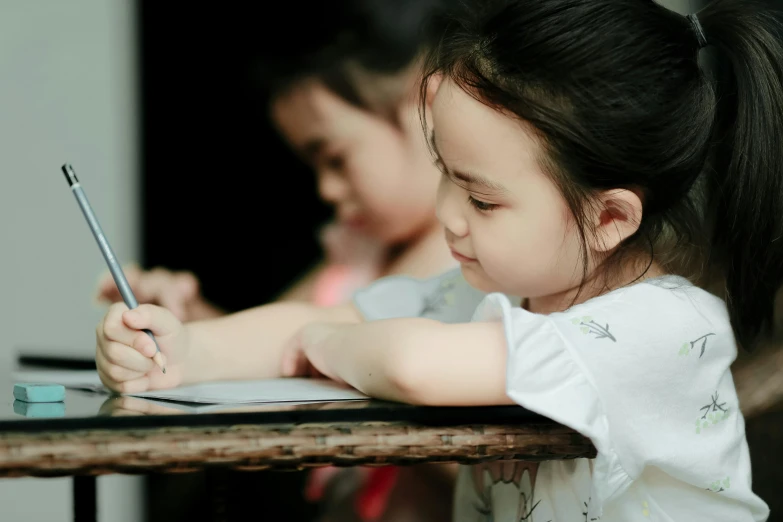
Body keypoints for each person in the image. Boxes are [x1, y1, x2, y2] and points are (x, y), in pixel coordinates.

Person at [95, 0, 783, 519]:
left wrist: (323, 340)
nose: (448, 214)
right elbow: (303, 321)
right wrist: (179, 349)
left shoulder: (661, 328)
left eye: (482, 200)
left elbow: (410, 364)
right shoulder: (490, 296)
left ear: (607, 218)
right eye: (444, 173)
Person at [96, 0, 454, 320]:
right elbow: (270, 343)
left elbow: (298, 345)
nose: (326, 189)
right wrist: (186, 320)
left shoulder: (460, 257)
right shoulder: (359, 252)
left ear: (429, 105)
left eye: (335, 159)